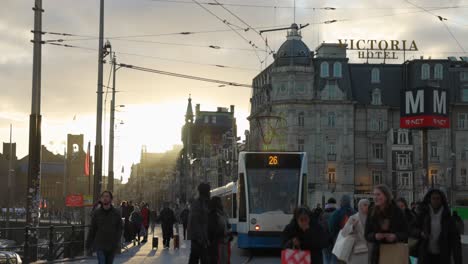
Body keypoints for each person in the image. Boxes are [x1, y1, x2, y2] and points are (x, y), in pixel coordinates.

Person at [414, 189, 462, 264]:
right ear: (429, 199)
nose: (435, 201)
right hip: (425, 255)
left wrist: (458, 261)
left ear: (441, 200)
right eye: (433, 198)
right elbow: (412, 228)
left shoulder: (448, 217)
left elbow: (455, 241)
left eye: (438, 198)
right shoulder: (423, 214)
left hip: (442, 256)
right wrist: (421, 233)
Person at [365, 184, 408, 264]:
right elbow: (367, 234)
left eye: (378, 194)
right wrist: (375, 236)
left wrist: (395, 236)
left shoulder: (397, 212)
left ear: (386, 196)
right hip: (377, 254)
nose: (375, 197)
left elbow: (406, 233)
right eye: (374, 195)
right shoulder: (372, 211)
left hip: (395, 252)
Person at [86, 191, 122, 264]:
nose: (105, 198)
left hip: (111, 244)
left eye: (107, 196)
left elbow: (120, 228)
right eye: (103, 197)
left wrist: (116, 241)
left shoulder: (116, 213)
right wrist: (88, 243)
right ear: (101, 199)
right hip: (100, 244)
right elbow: (93, 229)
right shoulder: (97, 213)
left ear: (111, 199)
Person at [341, 199, 370, 264]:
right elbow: (344, 233)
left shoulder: (372, 218)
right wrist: (352, 227)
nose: (367, 206)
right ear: (360, 206)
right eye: (365, 205)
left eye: (368, 205)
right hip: (355, 251)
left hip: (368, 251)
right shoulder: (353, 218)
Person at [188, 183, 211, 264]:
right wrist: (201, 239)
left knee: (200, 259)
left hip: (202, 239)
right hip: (199, 240)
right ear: (205, 192)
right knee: (196, 259)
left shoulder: (205, 202)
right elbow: (195, 222)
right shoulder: (197, 204)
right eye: (208, 191)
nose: (210, 193)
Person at [208, 196, 232, 264]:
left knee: (225, 259)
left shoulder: (223, 213)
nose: (221, 203)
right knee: (220, 260)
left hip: (225, 241)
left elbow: (226, 224)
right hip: (218, 243)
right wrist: (223, 232)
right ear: (216, 203)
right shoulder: (213, 214)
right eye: (219, 202)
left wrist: (228, 232)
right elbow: (213, 230)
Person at [320, 197, 337, 264]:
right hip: (335, 240)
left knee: (326, 258)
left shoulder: (323, 215)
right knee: (334, 258)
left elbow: (320, 227)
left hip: (325, 240)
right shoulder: (337, 214)